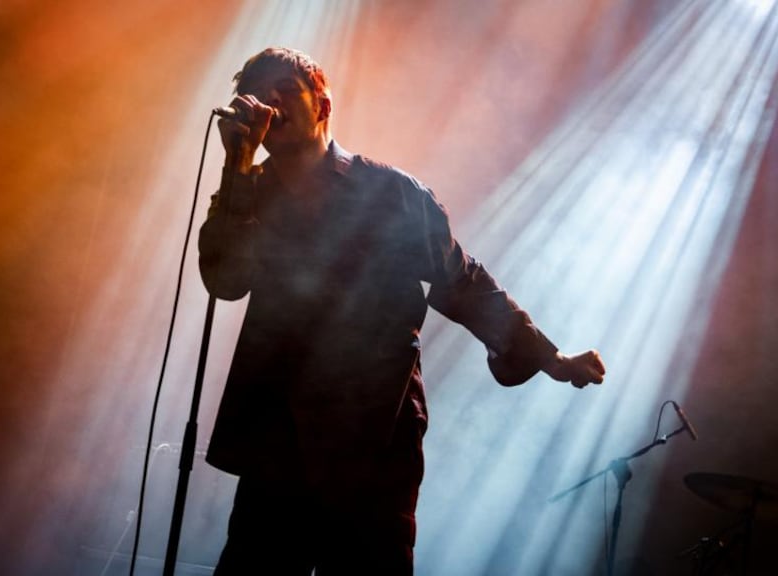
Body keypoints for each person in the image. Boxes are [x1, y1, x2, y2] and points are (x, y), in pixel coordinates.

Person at [198, 47, 607, 575]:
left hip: (374, 435)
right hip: (277, 440)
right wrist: (236, 164)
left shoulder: (392, 193)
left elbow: (463, 281)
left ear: (323, 105)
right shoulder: (247, 191)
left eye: (285, 88)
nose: (269, 101)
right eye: (257, 93)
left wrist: (550, 358)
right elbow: (225, 280)